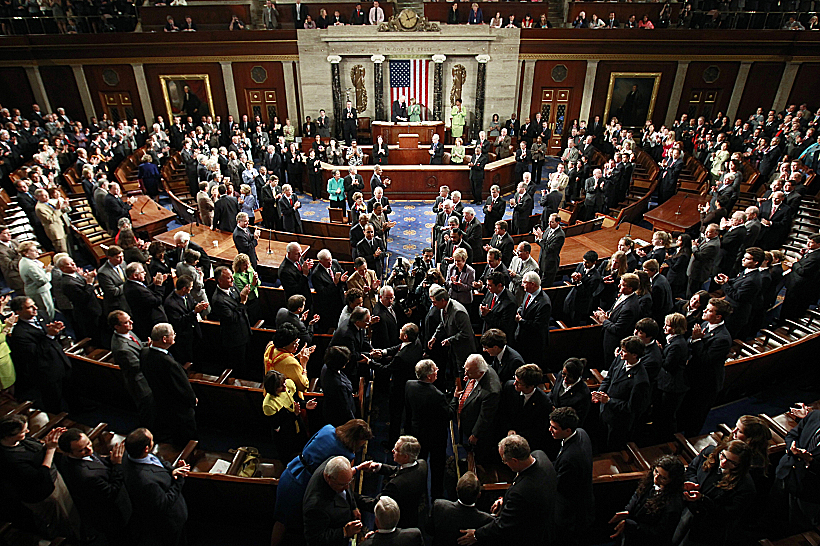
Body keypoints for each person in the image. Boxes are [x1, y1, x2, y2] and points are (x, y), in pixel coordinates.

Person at [272, 420, 374, 545]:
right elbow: (341, 476)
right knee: (299, 524)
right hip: (303, 484)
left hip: (292, 470)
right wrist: (359, 468)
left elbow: (307, 446)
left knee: (281, 520)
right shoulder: (345, 454)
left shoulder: (328, 428)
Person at [461, 435, 556, 545]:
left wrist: (476, 535)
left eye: (504, 460)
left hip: (531, 535)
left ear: (515, 461)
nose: (505, 463)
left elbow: (504, 524)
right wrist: (504, 500)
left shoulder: (521, 492)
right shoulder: (540, 456)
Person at [0, 415, 80, 541]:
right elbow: (40, 477)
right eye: (23, 431)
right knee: (62, 520)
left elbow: (37, 447)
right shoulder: (10, 459)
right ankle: (71, 540)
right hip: (44, 493)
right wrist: (51, 449)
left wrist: (48, 442)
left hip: (53, 478)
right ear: (8, 436)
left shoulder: (19, 441)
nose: (27, 432)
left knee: (71, 511)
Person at [674, 440, 755, 546]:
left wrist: (702, 499)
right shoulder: (709, 453)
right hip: (687, 510)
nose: (724, 462)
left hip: (708, 526)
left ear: (740, 465)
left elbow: (726, 515)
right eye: (724, 456)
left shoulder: (745, 487)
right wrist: (693, 484)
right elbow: (692, 469)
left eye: (732, 462)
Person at [58, 429, 132, 544]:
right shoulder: (86, 475)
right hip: (110, 513)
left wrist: (110, 460)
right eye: (82, 450)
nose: (89, 450)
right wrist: (117, 465)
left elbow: (96, 461)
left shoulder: (74, 456)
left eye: (88, 443)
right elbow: (111, 492)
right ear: (69, 453)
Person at [123, 428, 190, 546]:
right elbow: (164, 503)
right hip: (170, 520)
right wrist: (179, 479)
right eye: (152, 440)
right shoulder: (146, 481)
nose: (154, 441)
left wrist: (173, 470)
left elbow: (157, 462)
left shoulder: (133, 454)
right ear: (146, 448)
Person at [679, 298, 733, 437]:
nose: (704, 311)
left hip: (707, 383)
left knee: (697, 414)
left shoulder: (723, 338)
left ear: (718, 316)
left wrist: (697, 340)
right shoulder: (704, 324)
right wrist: (694, 340)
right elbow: (689, 341)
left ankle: (690, 439)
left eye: (708, 310)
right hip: (693, 376)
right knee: (686, 409)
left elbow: (706, 359)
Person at [8, 296, 70, 414]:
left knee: (69, 389)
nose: (35, 308)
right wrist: (50, 336)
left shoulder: (41, 315)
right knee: (53, 400)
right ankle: (55, 419)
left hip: (59, 359)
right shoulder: (19, 333)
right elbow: (36, 354)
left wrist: (57, 330)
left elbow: (53, 336)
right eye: (30, 307)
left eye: (34, 304)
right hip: (45, 371)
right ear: (18, 312)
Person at [140, 323, 197, 447]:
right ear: (165, 339)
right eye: (173, 334)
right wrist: (193, 401)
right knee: (185, 436)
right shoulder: (170, 364)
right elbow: (182, 388)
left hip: (160, 400)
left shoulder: (144, 353)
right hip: (178, 408)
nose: (175, 336)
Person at [609, 455, 685, 545]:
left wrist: (631, 525)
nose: (656, 479)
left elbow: (659, 533)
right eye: (656, 471)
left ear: (673, 481)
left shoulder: (673, 504)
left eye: (663, 478)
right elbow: (637, 495)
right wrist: (628, 511)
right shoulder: (649, 480)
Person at [592, 335, 651, 451]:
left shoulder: (640, 380)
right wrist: (599, 393)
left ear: (634, 355)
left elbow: (632, 407)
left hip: (618, 422)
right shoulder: (620, 360)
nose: (620, 353)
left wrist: (609, 401)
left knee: (611, 449)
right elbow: (609, 378)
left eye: (624, 351)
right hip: (605, 411)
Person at [404, 359, 449, 500]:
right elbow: (449, 414)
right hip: (436, 437)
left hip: (417, 431)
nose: (438, 371)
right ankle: (436, 495)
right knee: (437, 466)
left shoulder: (409, 385)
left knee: (418, 462)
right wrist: (454, 399)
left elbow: (408, 410)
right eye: (435, 369)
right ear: (429, 376)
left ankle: (418, 491)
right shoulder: (437, 395)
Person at [549, 407, 594, 546]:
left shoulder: (570, 458)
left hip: (571, 512)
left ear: (568, 430)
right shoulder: (581, 432)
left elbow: (560, 485)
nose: (550, 430)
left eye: (554, 428)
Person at [775, 402, 820, 529]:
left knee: (800, 525)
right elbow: (792, 435)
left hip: (809, 489)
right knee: (775, 508)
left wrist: (809, 460)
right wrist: (792, 448)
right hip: (786, 472)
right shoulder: (815, 416)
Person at [367, 436, 428, 529]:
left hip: (398, 522)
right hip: (413, 513)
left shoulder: (395, 485)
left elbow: (375, 505)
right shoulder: (422, 464)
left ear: (405, 456)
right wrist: (380, 467)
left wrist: (352, 496)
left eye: (396, 450)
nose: (392, 451)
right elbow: (400, 470)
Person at [451, 354, 501, 464]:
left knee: (477, 454)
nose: (465, 374)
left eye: (469, 372)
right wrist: (470, 378)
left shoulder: (491, 392)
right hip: (468, 418)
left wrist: (475, 434)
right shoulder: (480, 368)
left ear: (480, 373)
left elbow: (485, 417)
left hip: (477, 429)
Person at [303, 456, 362, 546]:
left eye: (349, 482)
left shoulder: (334, 465)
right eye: (342, 485)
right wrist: (344, 532)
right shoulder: (316, 506)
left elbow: (346, 484)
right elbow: (315, 539)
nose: (347, 487)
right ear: (329, 478)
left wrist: (353, 506)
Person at [263, 369, 316, 461]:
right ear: (273, 389)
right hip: (285, 435)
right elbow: (277, 426)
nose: (285, 387)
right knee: (289, 457)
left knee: (304, 446)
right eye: (280, 386)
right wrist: (294, 415)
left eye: (284, 383)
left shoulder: (289, 384)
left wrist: (305, 404)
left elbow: (296, 400)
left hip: (297, 423)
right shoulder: (269, 405)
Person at [209, 265, 252, 378]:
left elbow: (238, 301)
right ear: (220, 281)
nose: (232, 279)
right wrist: (242, 302)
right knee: (239, 365)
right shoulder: (218, 300)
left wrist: (243, 296)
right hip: (234, 338)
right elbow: (232, 318)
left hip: (244, 330)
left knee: (248, 360)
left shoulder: (232, 288)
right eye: (228, 278)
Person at [498, 363, 552, 452]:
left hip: (525, 444)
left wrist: (517, 436)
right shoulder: (509, 387)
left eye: (519, 383)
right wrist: (509, 429)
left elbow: (538, 430)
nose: (514, 383)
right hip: (504, 434)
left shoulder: (544, 403)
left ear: (530, 386)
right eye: (515, 379)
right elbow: (503, 412)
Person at [428, 472, 492, 545]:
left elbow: (429, 530)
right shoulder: (487, 521)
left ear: (456, 489)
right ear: (479, 495)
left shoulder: (439, 506)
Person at [592, 273, 642, 362]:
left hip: (614, 342)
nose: (619, 286)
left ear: (630, 288)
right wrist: (607, 314)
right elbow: (615, 311)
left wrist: (604, 320)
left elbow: (617, 329)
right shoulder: (624, 296)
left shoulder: (629, 308)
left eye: (623, 285)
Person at [429, 285, 476, 380]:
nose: (433, 305)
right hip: (453, 348)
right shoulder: (443, 308)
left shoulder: (458, 312)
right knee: (453, 371)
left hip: (463, 349)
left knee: (463, 374)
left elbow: (466, 333)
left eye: (435, 302)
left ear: (443, 300)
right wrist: (434, 337)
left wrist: (449, 340)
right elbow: (443, 323)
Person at [279, 241, 313, 312]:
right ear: (289, 253)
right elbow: (295, 290)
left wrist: (307, 269)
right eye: (297, 254)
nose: (300, 255)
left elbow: (305, 272)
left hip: (306, 296)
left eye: (300, 252)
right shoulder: (284, 271)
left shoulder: (298, 258)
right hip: (297, 304)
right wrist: (304, 274)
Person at [533, 212, 565, 287]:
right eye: (549, 221)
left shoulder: (560, 235)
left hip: (550, 264)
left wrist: (540, 239)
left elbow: (549, 249)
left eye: (552, 222)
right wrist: (537, 237)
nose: (549, 224)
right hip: (542, 259)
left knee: (544, 285)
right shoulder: (549, 228)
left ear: (558, 222)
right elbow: (543, 244)